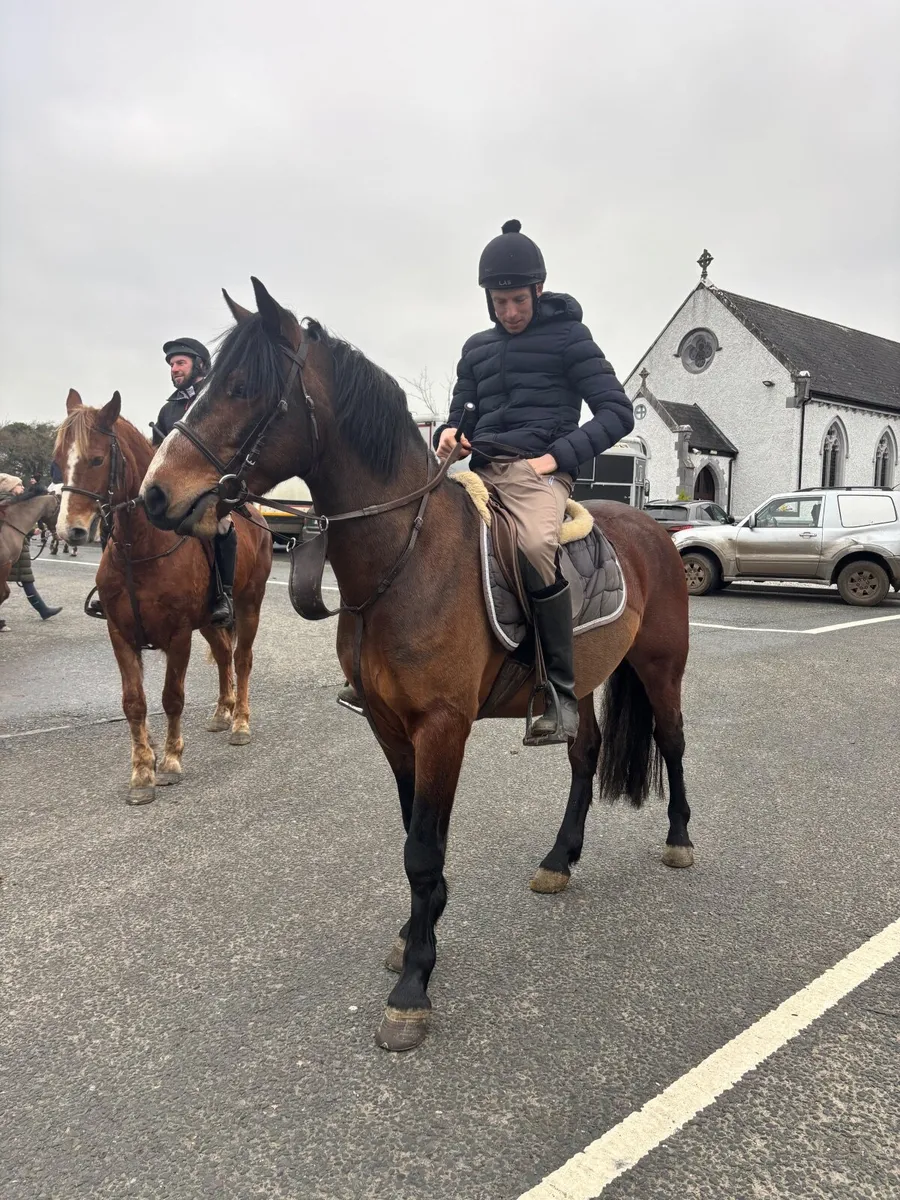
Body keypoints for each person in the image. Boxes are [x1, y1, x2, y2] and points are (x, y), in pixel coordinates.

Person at [338, 220, 634, 745]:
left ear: (538, 291)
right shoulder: (476, 348)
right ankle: (377, 670)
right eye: (500, 302)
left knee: (536, 543)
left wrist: (555, 458)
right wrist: (453, 435)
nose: (511, 312)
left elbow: (617, 413)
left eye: (519, 300)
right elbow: (461, 411)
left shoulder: (571, 338)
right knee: (403, 530)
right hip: (478, 470)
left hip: (534, 472)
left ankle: (560, 692)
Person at [154, 338, 236, 628]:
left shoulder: (215, 400)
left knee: (223, 527)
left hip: (209, 484)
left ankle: (224, 595)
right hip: (175, 486)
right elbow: (157, 452)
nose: (174, 369)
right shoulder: (168, 410)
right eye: (172, 365)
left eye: (180, 363)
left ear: (200, 364)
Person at [0, 473, 62, 628]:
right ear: (10, 487)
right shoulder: (6, 503)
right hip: (10, 549)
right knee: (13, 585)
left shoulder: (14, 504)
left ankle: (43, 609)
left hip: (17, 547)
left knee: (22, 581)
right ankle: (43, 609)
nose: (22, 487)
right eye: (19, 485)